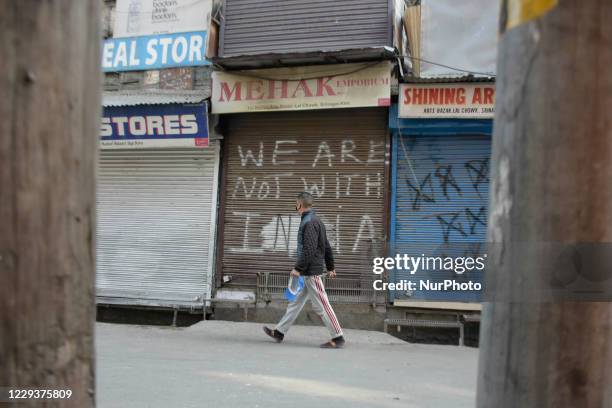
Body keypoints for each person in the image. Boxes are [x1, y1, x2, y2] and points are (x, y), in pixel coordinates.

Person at [263, 192, 345, 349]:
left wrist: (298, 269)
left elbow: (309, 249)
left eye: (296, 204)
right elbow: (326, 246)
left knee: (323, 305)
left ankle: (338, 337)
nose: (295, 206)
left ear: (299, 205)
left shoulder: (308, 222)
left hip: (311, 272)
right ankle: (279, 332)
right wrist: (331, 266)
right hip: (308, 271)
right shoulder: (317, 221)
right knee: (295, 303)